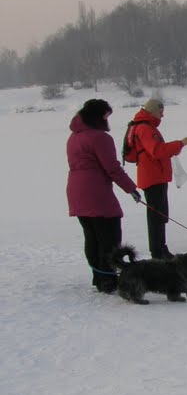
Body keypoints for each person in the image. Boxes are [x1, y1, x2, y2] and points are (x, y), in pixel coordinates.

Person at [66, 99, 143, 293]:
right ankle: (108, 280)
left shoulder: (74, 137)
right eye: (106, 115)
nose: (108, 119)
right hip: (96, 192)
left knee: (92, 237)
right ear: (97, 116)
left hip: (76, 192)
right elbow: (112, 168)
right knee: (109, 238)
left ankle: (99, 277)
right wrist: (131, 188)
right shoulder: (100, 138)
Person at [130, 98, 187, 259]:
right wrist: (180, 143)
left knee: (160, 215)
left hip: (155, 176)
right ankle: (158, 252)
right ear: (152, 111)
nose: (162, 115)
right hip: (152, 178)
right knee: (156, 216)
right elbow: (157, 151)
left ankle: (161, 248)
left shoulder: (146, 126)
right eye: (160, 112)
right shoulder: (145, 128)